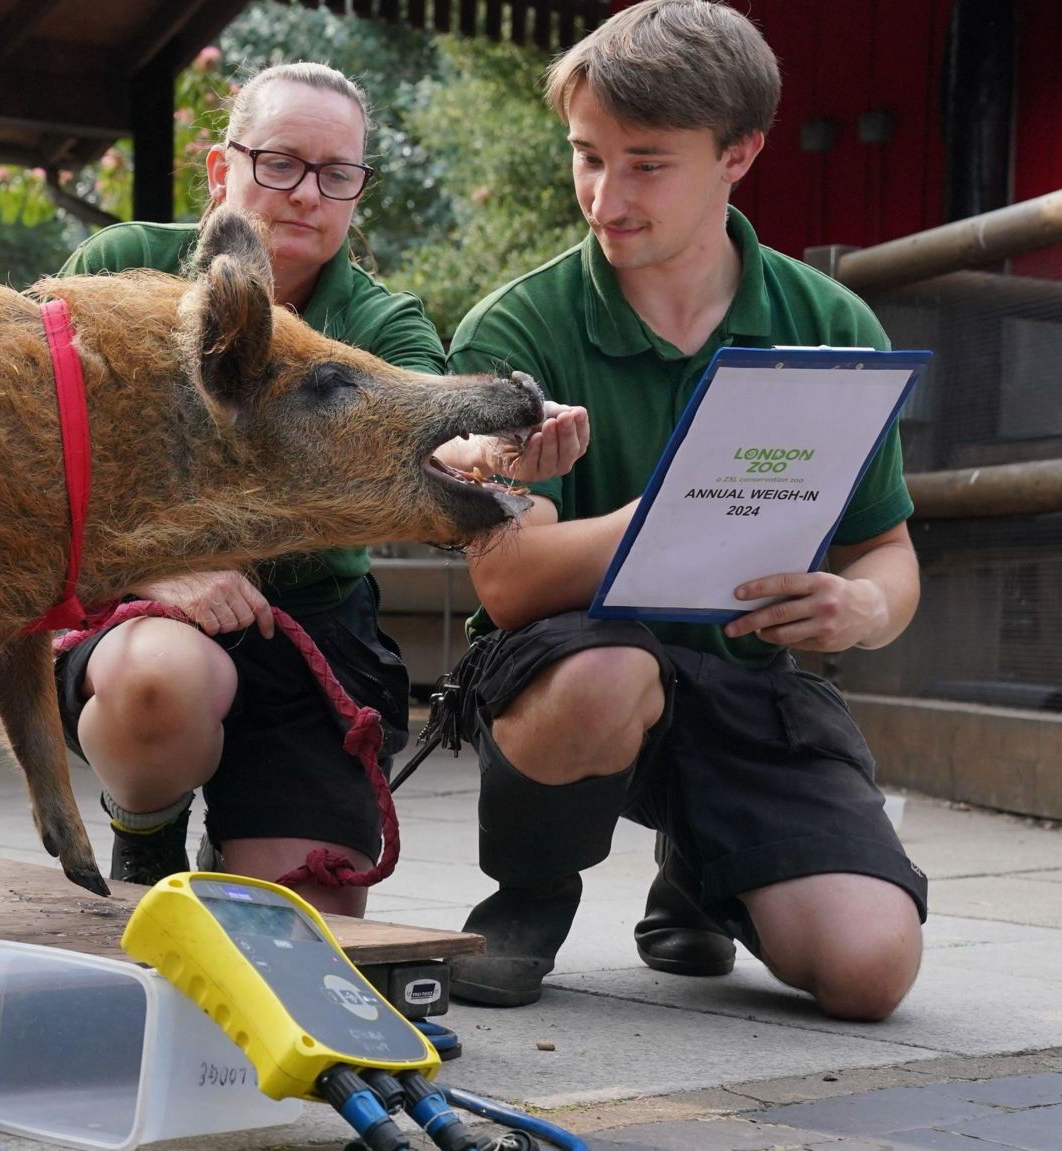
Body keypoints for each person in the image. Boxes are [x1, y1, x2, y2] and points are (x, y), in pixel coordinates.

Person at [442, 0, 925, 1019]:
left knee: (869, 970)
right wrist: (685, 509)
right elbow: (505, 578)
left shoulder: (829, 323)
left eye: (645, 164)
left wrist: (862, 608)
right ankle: (527, 894)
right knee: (606, 668)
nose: (602, 197)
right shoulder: (515, 324)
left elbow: (885, 546)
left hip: (746, 676)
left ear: (737, 155)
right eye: (585, 156)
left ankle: (702, 870)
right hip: (571, 666)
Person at [54, 61, 589, 916]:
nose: (306, 193)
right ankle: (146, 826)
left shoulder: (384, 322)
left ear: (355, 193)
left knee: (307, 920)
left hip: (311, 618)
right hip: (143, 608)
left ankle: (246, 831)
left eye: (336, 174)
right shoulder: (122, 266)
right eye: (279, 164)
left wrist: (505, 448)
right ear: (222, 171)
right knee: (159, 680)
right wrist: (154, 571)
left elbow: (436, 439)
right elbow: (39, 444)